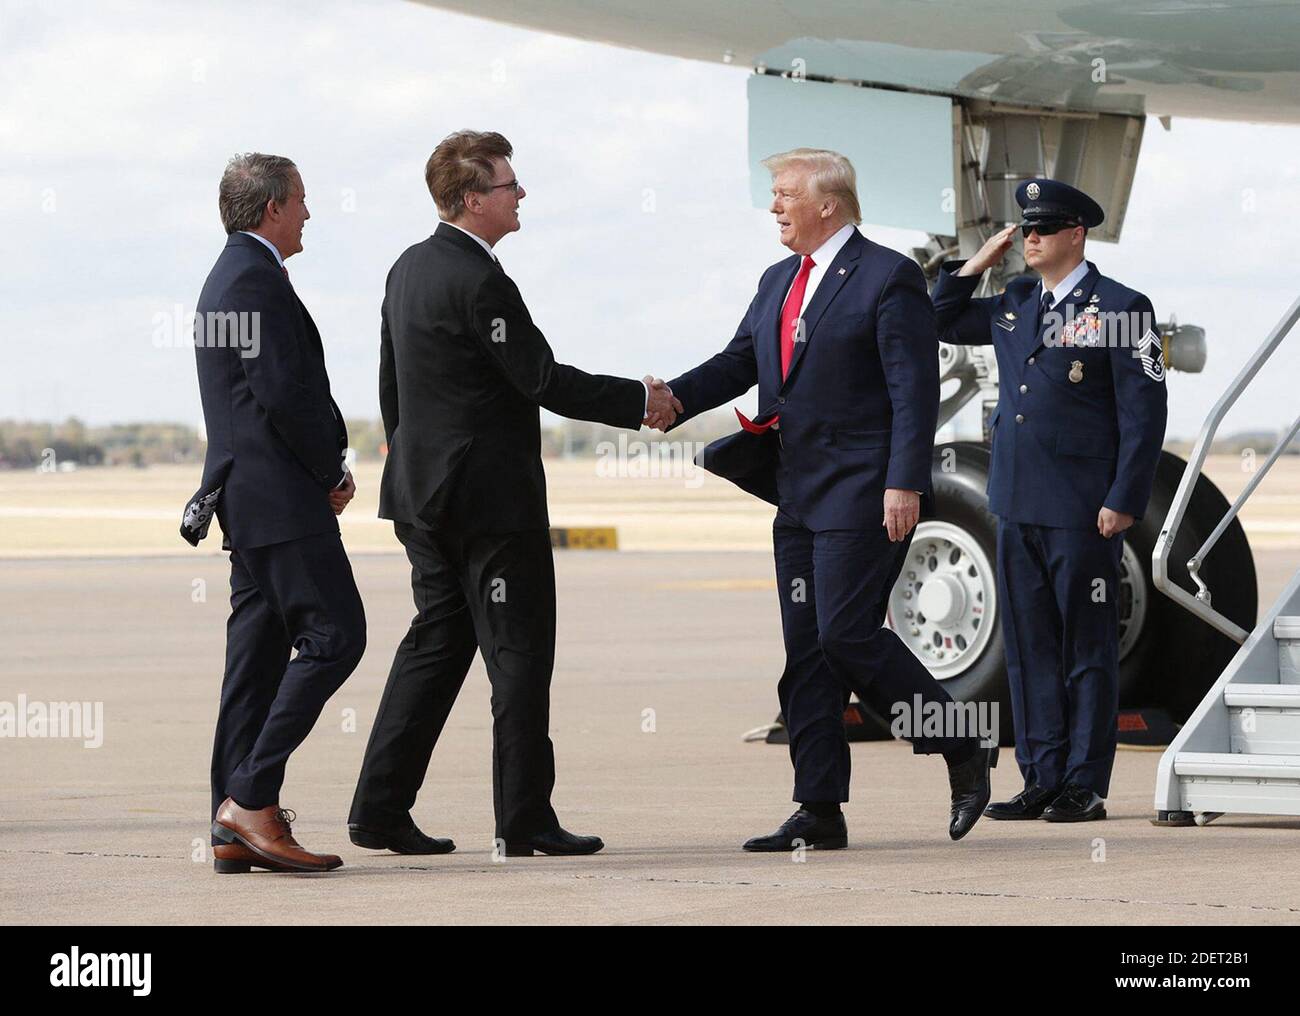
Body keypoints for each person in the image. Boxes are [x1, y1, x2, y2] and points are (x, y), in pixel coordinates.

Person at [347, 130, 680, 857]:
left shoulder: (408, 268)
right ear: (473, 199)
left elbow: (391, 387)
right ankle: (524, 819)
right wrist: (644, 400)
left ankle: (379, 808)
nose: (521, 194)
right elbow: (543, 380)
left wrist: (410, 466)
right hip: (490, 508)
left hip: (421, 498)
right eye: (508, 185)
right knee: (520, 656)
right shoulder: (480, 280)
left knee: (434, 648)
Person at [655, 148, 997, 851]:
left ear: (828, 204)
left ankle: (958, 740)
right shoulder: (778, 279)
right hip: (798, 491)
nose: (775, 206)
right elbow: (741, 361)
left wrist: (905, 480)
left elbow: (914, 387)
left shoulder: (887, 276)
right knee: (807, 652)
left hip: (867, 492)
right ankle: (818, 808)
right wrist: (675, 399)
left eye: (784, 194)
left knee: (845, 633)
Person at [931, 178, 1168, 822]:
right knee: (1031, 644)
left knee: (1085, 647)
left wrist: (1124, 498)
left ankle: (1085, 783)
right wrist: (974, 265)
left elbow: (1144, 415)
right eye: (1024, 230)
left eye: (1042, 229)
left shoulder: (1121, 307)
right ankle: (1040, 775)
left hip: (1082, 507)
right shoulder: (1013, 301)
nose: (1029, 238)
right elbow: (939, 316)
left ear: (1075, 234)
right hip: (1015, 500)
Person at [182, 153, 366, 873]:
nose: (310, 215)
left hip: (247, 499)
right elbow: (283, 393)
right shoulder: (253, 281)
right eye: (303, 201)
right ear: (272, 210)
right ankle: (250, 800)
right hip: (281, 500)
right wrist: (331, 470)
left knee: (254, 665)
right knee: (335, 637)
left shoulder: (229, 276)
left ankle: (231, 828)